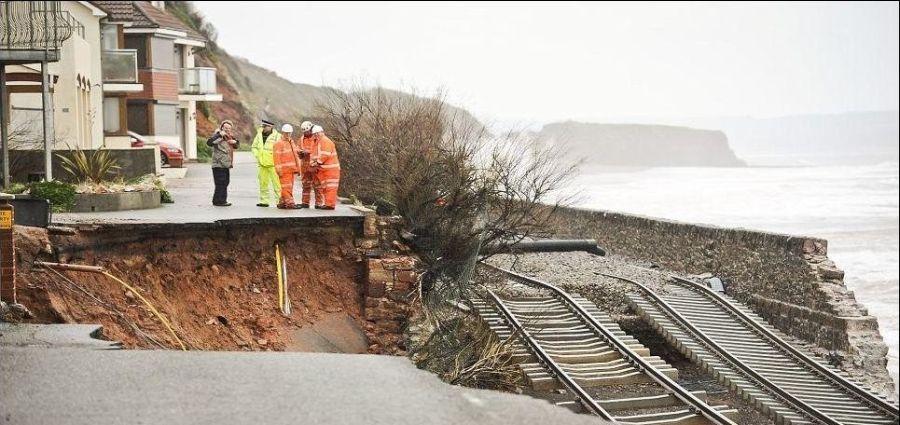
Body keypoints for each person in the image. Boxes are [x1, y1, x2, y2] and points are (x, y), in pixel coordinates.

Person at [207, 120, 238, 206]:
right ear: (222, 128)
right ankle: (219, 201)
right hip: (218, 163)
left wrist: (235, 142)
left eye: (229, 128)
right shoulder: (217, 135)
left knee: (225, 182)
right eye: (225, 128)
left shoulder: (230, 136)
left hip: (226, 164)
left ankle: (220, 200)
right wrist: (220, 135)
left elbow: (236, 145)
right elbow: (209, 142)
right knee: (220, 183)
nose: (227, 129)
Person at [309, 124, 341, 210]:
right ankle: (328, 203)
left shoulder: (325, 141)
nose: (315, 135)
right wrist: (312, 163)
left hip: (330, 169)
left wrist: (317, 163)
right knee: (326, 187)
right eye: (314, 134)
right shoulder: (318, 142)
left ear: (319, 133)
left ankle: (330, 204)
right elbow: (314, 155)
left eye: (316, 134)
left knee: (330, 187)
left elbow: (325, 154)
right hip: (324, 169)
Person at [250, 119, 280, 207]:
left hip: (273, 164)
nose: (263, 128)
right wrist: (258, 156)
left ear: (271, 127)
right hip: (262, 163)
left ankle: (279, 201)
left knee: (277, 184)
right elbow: (254, 147)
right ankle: (264, 201)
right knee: (263, 183)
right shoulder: (259, 135)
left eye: (265, 126)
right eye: (263, 126)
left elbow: (280, 149)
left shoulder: (277, 136)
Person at [273, 124, 301, 209]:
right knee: (286, 187)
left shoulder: (291, 142)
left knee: (287, 187)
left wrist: (298, 168)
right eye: (286, 133)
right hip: (284, 170)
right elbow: (276, 158)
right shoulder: (278, 144)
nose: (288, 134)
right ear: (283, 132)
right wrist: (279, 170)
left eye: (289, 133)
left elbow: (295, 154)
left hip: (291, 170)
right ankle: (290, 203)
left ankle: (282, 202)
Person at [297, 121, 319, 208]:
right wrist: (300, 152)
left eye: (307, 131)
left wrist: (308, 152)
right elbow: (298, 149)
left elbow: (318, 150)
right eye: (305, 132)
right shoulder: (301, 139)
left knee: (317, 185)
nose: (306, 133)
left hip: (314, 165)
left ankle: (318, 203)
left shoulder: (316, 137)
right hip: (305, 165)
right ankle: (305, 203)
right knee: (305, 185)